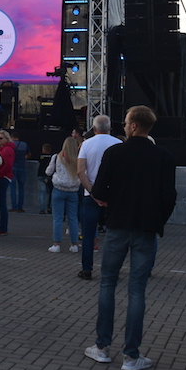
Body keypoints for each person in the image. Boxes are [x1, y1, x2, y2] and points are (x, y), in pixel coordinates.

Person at [83, 106, 175, 370]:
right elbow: (169, 197)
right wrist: (157, 220)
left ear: (133, 125)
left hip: (117, 226)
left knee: (108, 283)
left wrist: (108, 203)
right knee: (137, 289)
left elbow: (99, 190)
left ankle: (102, 347)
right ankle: (131, 355)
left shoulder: (115, 153)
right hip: (146, 229)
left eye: (125, 123)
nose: (123, 127)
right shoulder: (163, 156)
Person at [76, 114, 121, 280]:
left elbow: (80, 171)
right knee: (114, 235)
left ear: (94, 128)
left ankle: (87, 269)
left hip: (91, 195)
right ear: (109, 128)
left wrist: (93, 192)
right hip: (113, 196)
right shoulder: (118, 144)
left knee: (88, 234)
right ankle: (112, 270)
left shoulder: (86, 144)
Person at [46, 137, 81, 254]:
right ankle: (74, 245)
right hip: (73, 191)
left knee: (58, 218)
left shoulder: (57, 157)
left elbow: (48, 171)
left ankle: (56, 245)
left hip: (59, 189)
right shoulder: (78, 159)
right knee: (73, 218)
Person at [9, 131, 29, 212]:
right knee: (21, 188)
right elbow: (29, 154)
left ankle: (14, 207)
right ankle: (20, 207)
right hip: (22, 167)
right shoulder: (24, 144)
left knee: (13, 188)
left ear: (12, 137)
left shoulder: (10, 145)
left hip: (13, 167)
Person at [37, 142, 53, 214]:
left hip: (41, 175)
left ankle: (42, 209)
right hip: (49, 176)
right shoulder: (52, 157)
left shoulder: (40, 156)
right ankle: (49, 207)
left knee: (42, 192)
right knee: (50, 192)